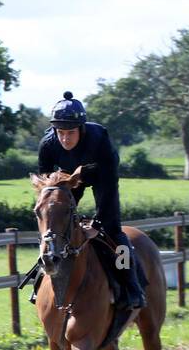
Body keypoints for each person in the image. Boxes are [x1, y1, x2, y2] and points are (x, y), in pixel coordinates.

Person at [36, 91, 147, 309]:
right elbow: (46, 187)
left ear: (81, 129)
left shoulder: (99, 141)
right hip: (68, 179)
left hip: (101, 176)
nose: (65, 138)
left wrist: (98, 224)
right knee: (54, 226)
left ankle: (132, 287)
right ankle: (40, 283)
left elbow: (106, 189)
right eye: (60, 133)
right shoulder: (47, 145)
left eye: (70, 133)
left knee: (112, 229)